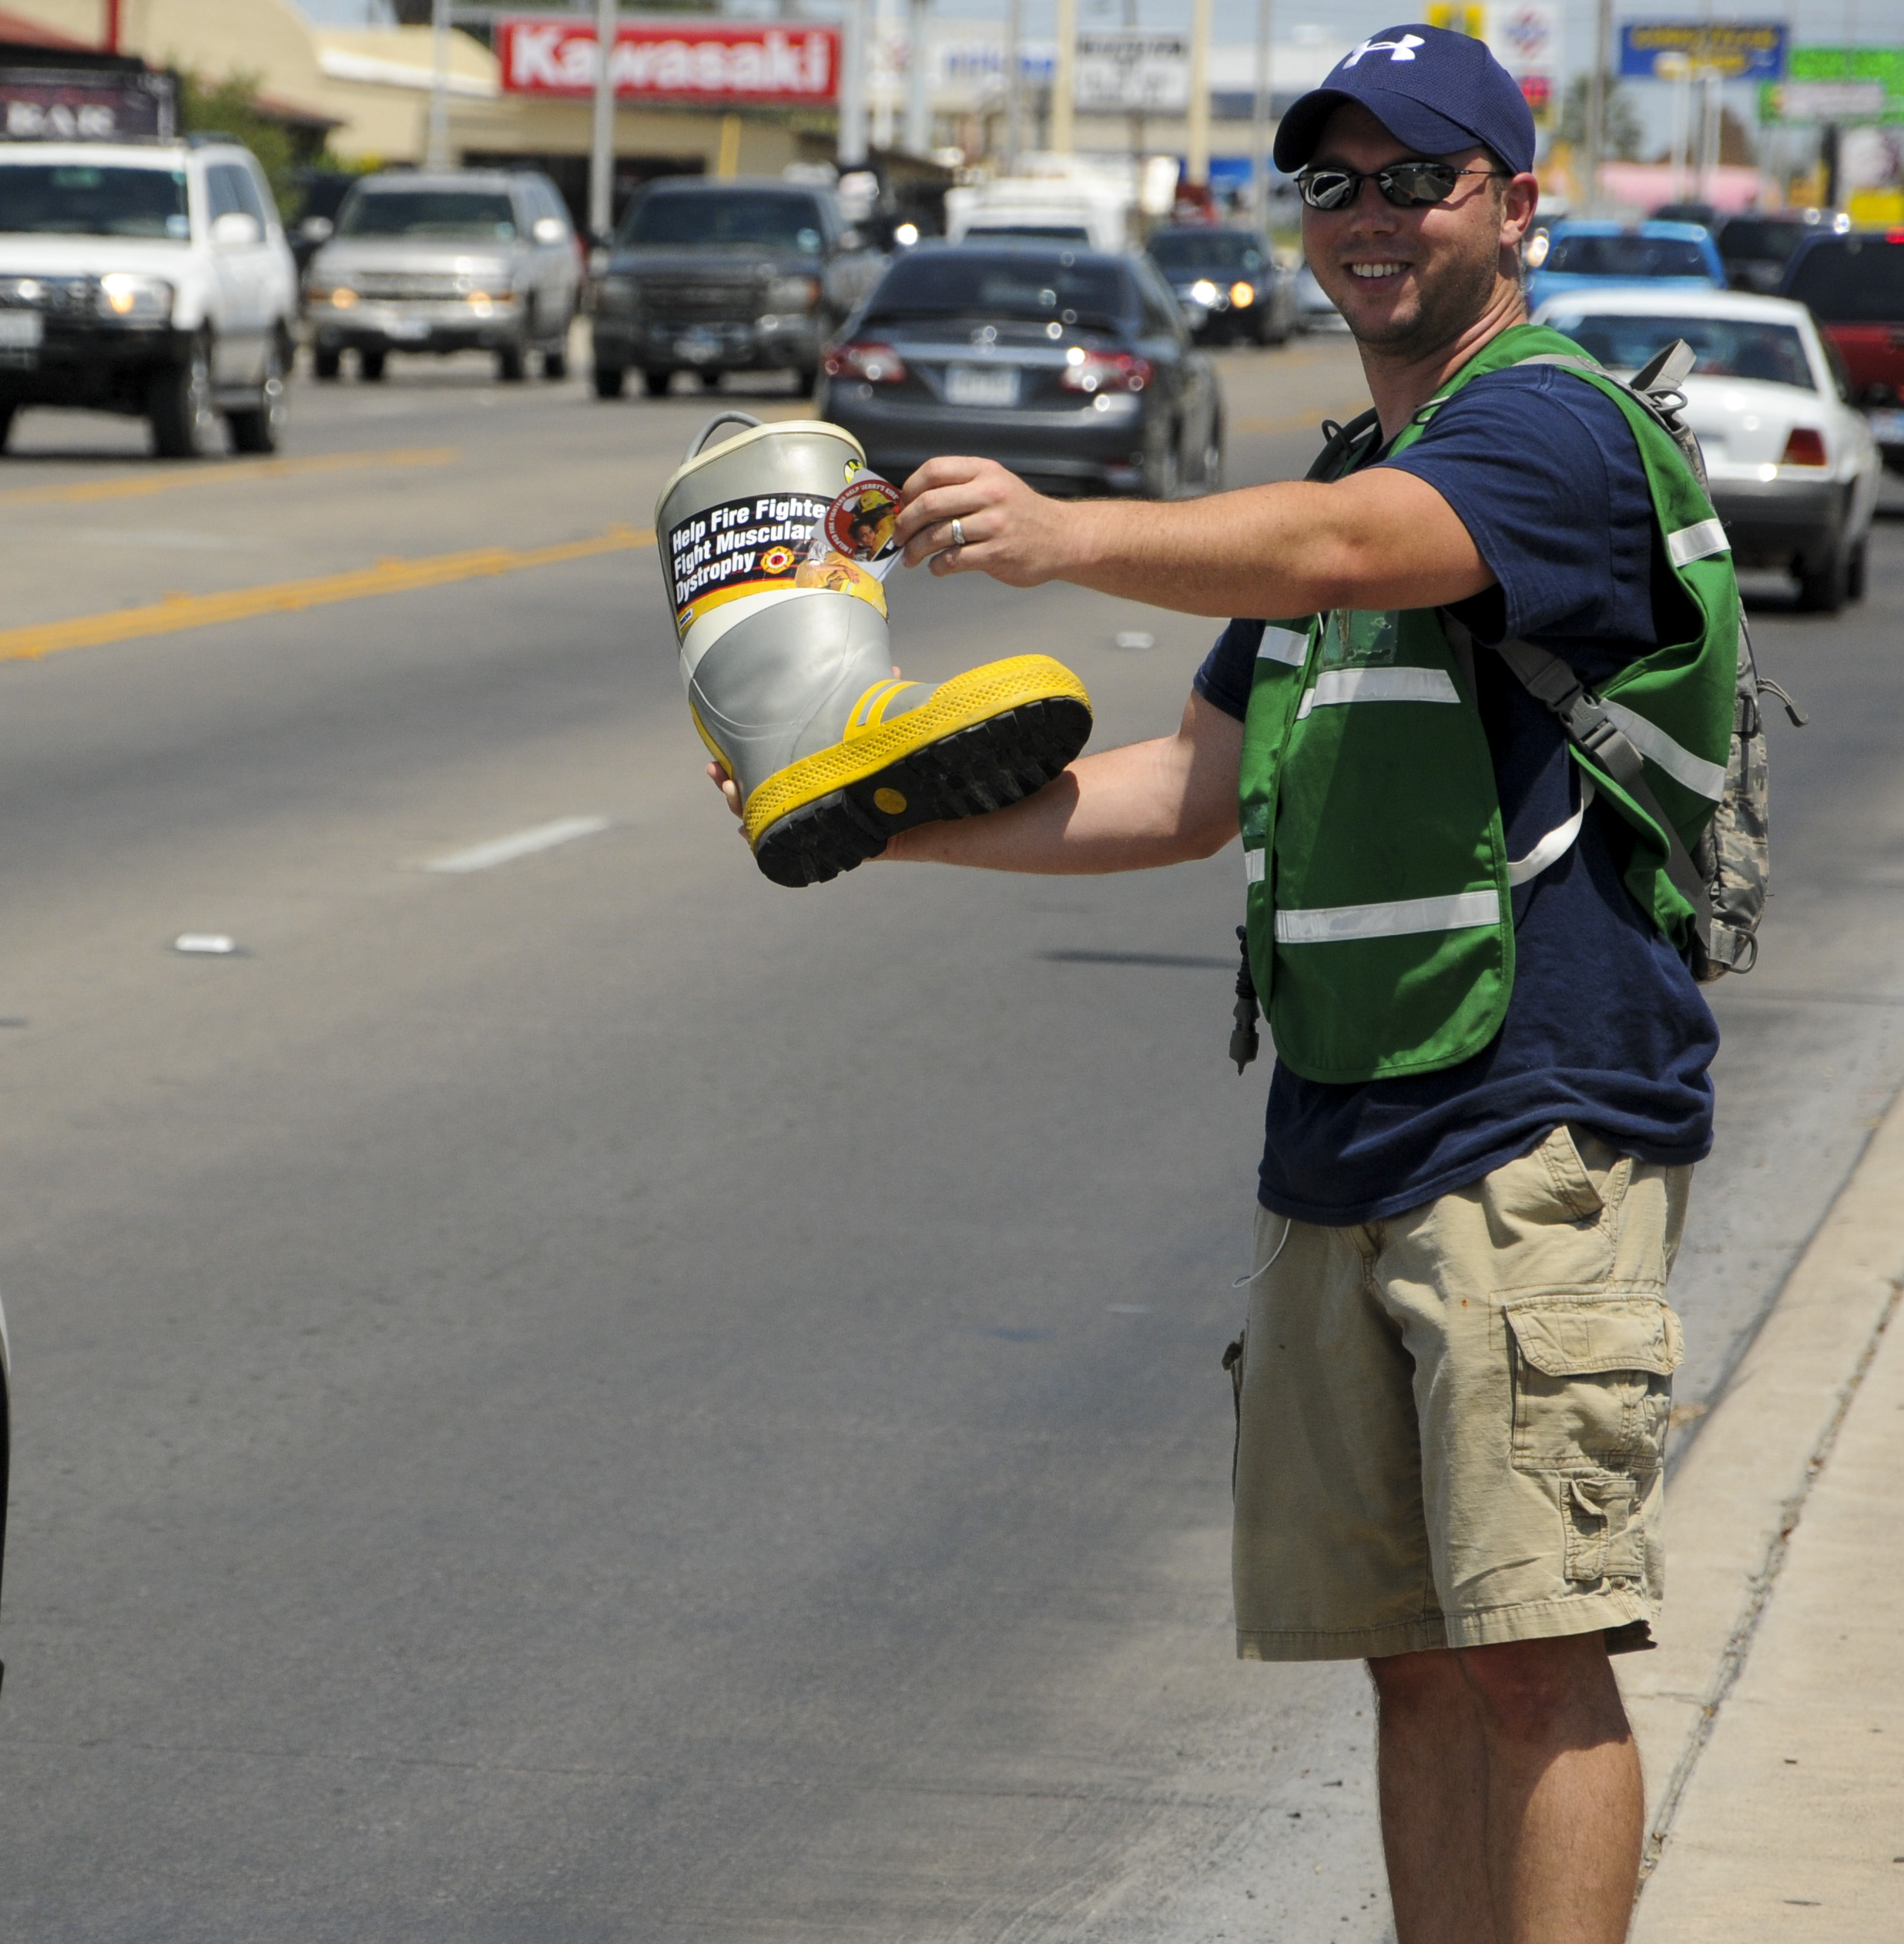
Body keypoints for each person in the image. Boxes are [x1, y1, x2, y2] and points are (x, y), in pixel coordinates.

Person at [707, 27, 1738, 1944]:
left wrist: (1069, 531)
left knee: (1533, 1654)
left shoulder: (1553, 425)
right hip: (1345, 1130)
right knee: (1414, 1659)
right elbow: (1178, 793)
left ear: (1515, 204)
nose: (1366, 217)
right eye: (1330, 182)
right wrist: (852, 816)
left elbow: (1371, 552)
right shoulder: (1349, 475)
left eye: (1414, 177)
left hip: (1535, 1128)